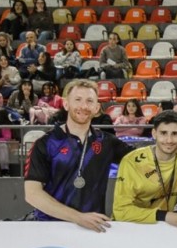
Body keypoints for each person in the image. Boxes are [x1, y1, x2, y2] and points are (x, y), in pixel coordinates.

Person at [23, 80, 132, 231]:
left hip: (93, 229)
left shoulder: (107, 142)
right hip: (49, 228)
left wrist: (176, 144)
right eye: (78, 100)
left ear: (96, 108)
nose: (83, 106)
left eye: (89, 101)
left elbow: (144, 158)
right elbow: (32, 194)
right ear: (66, 104)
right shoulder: (46, 143)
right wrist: (77, 217)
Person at [113, 110, 177, 233]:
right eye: (163, 133)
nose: (169, 140)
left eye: (174, 134)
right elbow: (120, 211)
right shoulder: (131, 162)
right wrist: (164, 216)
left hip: (163, 228)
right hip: (131, 228)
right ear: (154, 133)